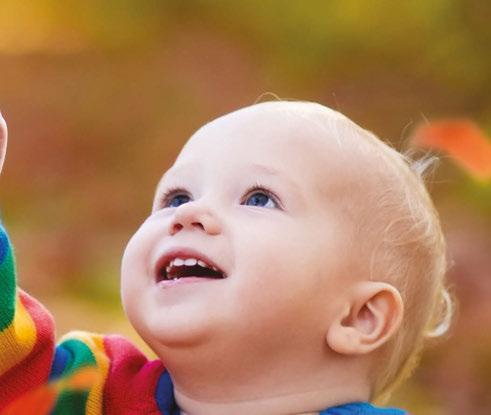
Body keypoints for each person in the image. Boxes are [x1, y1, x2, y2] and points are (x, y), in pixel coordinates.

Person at [0, 101, 451, 414]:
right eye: (176, 197)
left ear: (359, 317)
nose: (190, 214)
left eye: (259, 198)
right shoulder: (94, 393)